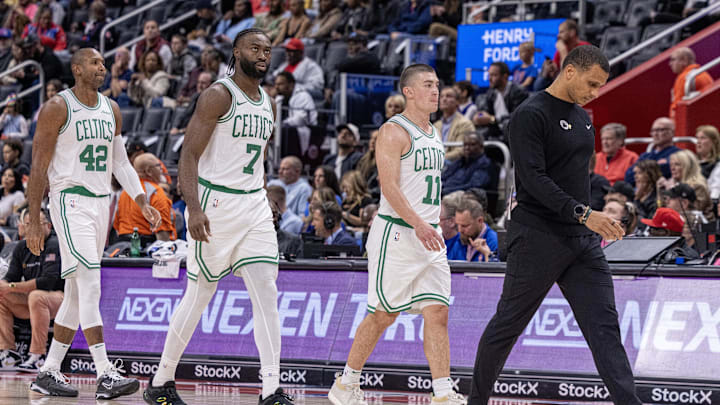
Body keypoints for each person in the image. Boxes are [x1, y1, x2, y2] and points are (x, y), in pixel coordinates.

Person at [469, 46, 641, 405]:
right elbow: (533, 179)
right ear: (570, 72)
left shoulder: (583, 118)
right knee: (508, 325)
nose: (595, 92)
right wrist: (584, 213)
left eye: (600, 86)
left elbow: (576, 176)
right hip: (537, 237)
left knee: (605, 328)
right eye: (591, 84)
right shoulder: (530, 114)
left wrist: (591, 216)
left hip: (581, 240)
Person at [142, 29, 295, 405]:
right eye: (254, 48)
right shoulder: (217, 96)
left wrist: (262, 192)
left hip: (253, 206)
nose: (262, 55)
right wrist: (193, 208)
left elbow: (255, 155)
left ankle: (271, 389)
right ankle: (161, 381)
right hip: (214, 207)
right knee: (199, 294)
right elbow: (189, 157)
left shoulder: (268, 102)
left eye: (267, 50)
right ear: (236, 51)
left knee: (266, 292)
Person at [26, 47, 161, 399]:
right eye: (95, 63)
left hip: (102, 202)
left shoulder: (111, 109)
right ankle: (105, 372)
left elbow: (120, 163)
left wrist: (142, 200)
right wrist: (37, 219)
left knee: (74, 293)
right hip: (70, 200)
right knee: (90, 283)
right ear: (77, 69)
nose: (103, 67)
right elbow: (38, 168)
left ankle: (49, 370)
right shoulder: (58, 107)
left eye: (104, 63)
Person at [329, 64, 466, 405]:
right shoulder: (394, 131)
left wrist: (432, 221)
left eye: (437, 85)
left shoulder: (434, 131)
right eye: (428, 85)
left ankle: (443, 392)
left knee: (437, 311)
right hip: (399, 234)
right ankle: (346, 383)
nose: (436, 91)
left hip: (429, 235)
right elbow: (388, 187)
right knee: (383, 314)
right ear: (409, 91)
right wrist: (419, 223)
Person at [0, 209, 63, 372]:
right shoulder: (21, 247)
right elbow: (12, 276)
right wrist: (4, 285)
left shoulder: (54, 244)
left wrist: (12, 287)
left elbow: (48, 282)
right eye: (29, 224)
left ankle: (38, 355)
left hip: (61, 299)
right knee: (1, 295)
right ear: (22, 227)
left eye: (37, 224)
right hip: (32, 300)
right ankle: (8, 352)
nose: (32, 228)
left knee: (36, 296)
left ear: (48, 226)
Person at [114, 153, 176, 245]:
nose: (161, 169)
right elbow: (162, 233)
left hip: (122, 246)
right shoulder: (156, 192)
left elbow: (117, 226)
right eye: (158, 166)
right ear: (149, 171)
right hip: (146, 250)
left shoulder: (124, 192)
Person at [472, 61, 528, 141]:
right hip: (496, 133)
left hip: (514, 134)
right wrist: (479, 116)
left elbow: (517, 118)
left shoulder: (518, 92)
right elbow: (485, 112)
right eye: (489, 75)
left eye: (493, 75)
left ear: (505, 76)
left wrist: (493, 119)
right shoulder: (491, 93)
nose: (489, 78)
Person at [624, 117, 680, 185]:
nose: (655, 134)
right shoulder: (645, 156)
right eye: (653, 131)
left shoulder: (678, 154)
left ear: (672, 132)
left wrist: (640, 172)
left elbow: (665, 170)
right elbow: (628, 176)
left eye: (660, 130)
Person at [274, 71, 318, 155]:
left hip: (306, 130)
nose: (276, 87)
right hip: (285, 131)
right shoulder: (279, 99)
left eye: (280, 84)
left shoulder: (303, 96)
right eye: (276, 84)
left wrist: (280, 124)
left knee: (284, 131)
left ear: (291, 85)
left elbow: (301, 119)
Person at [433, 86, 475, 162]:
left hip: (454, 166)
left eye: (448, 96)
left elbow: (460, 151)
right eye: (441, 96)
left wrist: (438, 159)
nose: (444, 99)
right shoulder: (436, 125)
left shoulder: (465, 123)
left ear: (457, 102)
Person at [669, 47, 712, 118]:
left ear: (684, 60)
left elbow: (676, 109)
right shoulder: (705, 74)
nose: (670, 64)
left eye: (673, 60)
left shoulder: (684, 78)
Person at [450, 198, 497, 262]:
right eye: (458, 225)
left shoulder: (493, 241)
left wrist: (487, 255)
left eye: (465, 226)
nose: (460, 230)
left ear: (480, 221)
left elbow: (496, 270)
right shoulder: (459, 239)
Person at [356, 130, 379, 200]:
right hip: (363, 197)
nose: (372, 141)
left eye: (376, 139)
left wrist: (366, 192)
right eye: (371, 138)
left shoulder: (388, 162)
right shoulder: (363, 161)